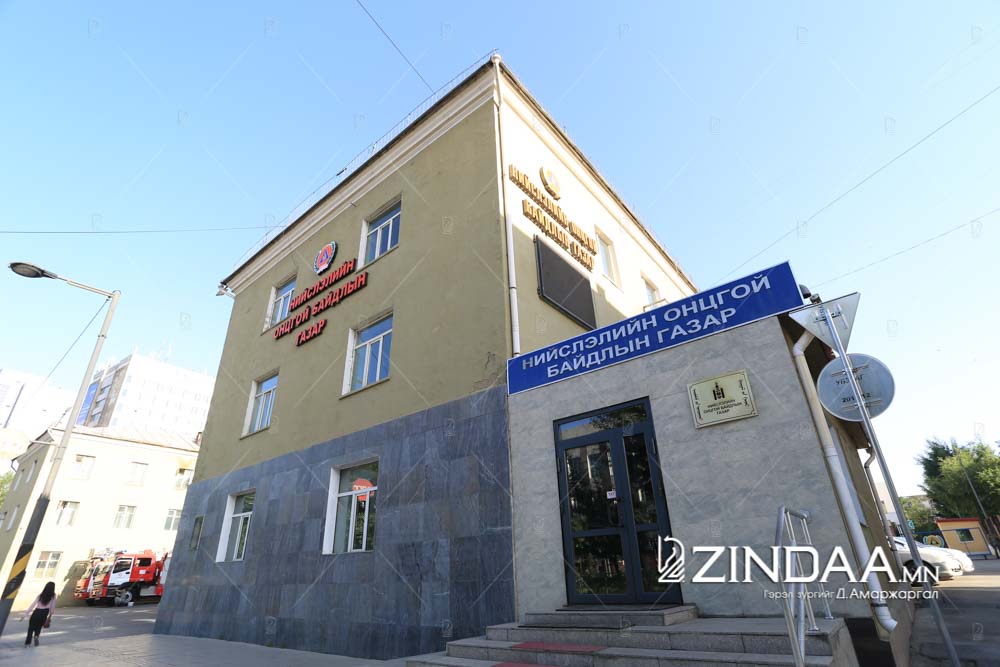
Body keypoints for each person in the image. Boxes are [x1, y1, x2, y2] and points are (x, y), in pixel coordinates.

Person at [21, 581, 56, 647]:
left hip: (36, 612)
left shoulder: (40, 595)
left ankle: (27, 643)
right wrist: (50, 616)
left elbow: (33, 604)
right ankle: (36, 636)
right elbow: (52, 607)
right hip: (44, 613)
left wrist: (25, 614)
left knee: (31, 628)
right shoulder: (53, 596)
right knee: (38, 627)